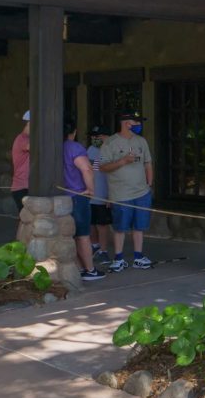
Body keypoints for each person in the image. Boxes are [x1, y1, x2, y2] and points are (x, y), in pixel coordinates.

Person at [98, 111, 154, 271]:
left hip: (142, 192)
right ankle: (118, 258)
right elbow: (102, 167)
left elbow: (148, 163)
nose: (138, 125)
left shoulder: (141, 141)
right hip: (120, 194)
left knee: (140, 227)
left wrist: (149, 184)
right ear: (126, 123)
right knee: (120, 227)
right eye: (136, 122)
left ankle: (138, 256)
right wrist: (123, 161)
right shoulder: (110, 143)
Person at [63, 122, 104, 282]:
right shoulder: (74, 147)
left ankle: (79, 268)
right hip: (77, 195)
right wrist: (91, 190)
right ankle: (90, 269)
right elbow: (86, 168)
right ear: (73, 131)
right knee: (82, 234)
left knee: (69, 235)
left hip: (60, 197)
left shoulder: (53, 147)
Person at [86, 126, 113, 264]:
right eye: (94, 136)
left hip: (103, 195)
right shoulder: (90, 150)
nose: (95, 138)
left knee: (102, 224)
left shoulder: (110, 151)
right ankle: (94, 245)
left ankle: (104, 251)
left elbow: (113, 174)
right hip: (90, 194)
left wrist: (111, 195)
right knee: (91, 222)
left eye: (99, 136)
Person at [10, 111, 30, 212]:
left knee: (25, 221)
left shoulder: (26, 138)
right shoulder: (22, 138)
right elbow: (33, 147)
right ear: (29, 123)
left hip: (24, 186)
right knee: (26, 219)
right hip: (21, 187)